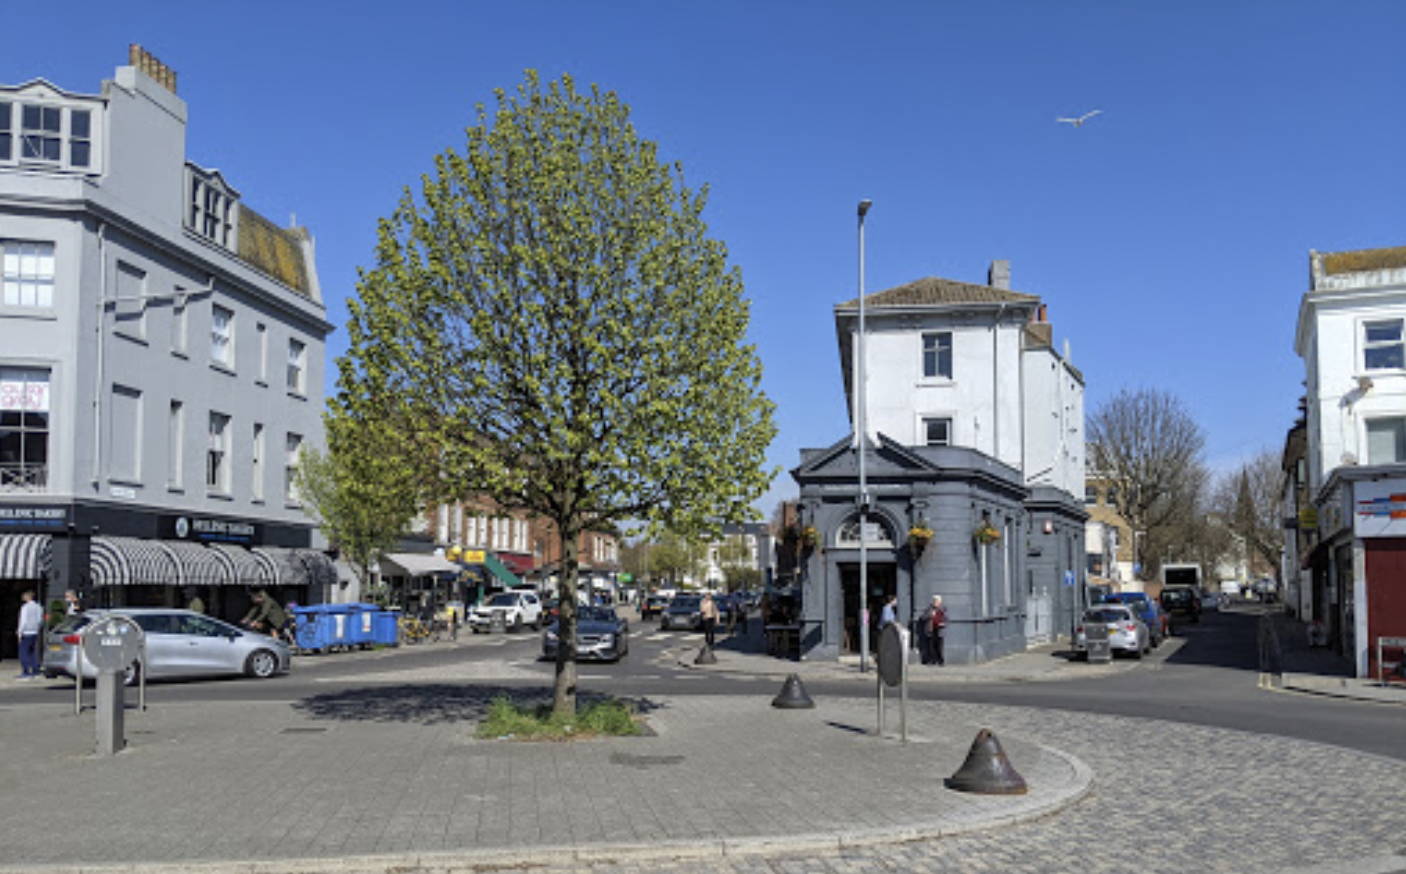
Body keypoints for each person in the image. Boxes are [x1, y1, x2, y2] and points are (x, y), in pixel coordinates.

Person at [15, 590, 43, 679]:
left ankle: (26, 671)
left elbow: (23, 621)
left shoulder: (25, 607)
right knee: (32, 652)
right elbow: (39, 620)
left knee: (23, 653)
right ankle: (35, 671)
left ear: (28, 597)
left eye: (24, 596)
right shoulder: (38, 607)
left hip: (26, 632)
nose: (22, 598)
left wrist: (19, 632)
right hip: (34, 632)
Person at [920, 595, 947, 666]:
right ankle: (932, 660)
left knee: (939, 646)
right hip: (931, 629)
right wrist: (930, 615)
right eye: (935, 601)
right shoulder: (929, 609)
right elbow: (923, 617)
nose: (936, 603)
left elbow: (947, 618)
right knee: (931, 646)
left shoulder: (943, 609)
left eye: (938, 601)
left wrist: (943, 623)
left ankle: (940, 661)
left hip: (939, 630)